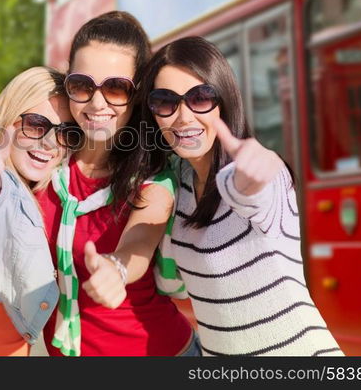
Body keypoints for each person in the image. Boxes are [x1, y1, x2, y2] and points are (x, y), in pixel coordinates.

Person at [134, 35, 343, 356]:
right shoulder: (178, 185)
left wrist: (254, 173)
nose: (184, 116)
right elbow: (172, 284)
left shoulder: (256, 178)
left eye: (200, 97)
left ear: (224, 99)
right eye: (165, 101)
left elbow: (256, 186)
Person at [36, 11, 196, 356]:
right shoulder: (47, 162)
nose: (97, 103)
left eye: (116, 88)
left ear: (137, 95)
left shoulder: (154, 178)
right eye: (81, 85)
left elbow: (140, 238)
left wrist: (117, 268)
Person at [0, 66, 81, 356]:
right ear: (8, 119)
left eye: (66, 133)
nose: (49, 142)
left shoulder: (46, 190)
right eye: (36, 125)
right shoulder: (1, 183)